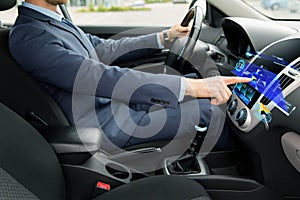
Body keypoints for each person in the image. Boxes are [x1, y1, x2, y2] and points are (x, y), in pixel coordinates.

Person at [9, 0, 251, 151]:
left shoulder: (52, 22)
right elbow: (99, 77)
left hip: (115, 107)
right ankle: (241, 175)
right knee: (209, 112)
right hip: (104, 125)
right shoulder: (31, 36)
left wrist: (164, 37)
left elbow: (103, 49)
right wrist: (193, 87)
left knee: (194, 89)